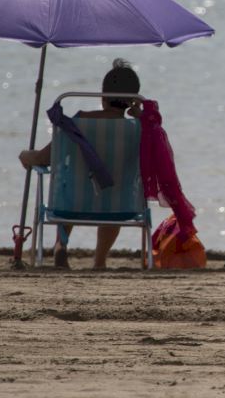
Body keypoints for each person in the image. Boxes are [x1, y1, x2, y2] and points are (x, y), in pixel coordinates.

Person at [18, 58, 142, 269]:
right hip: (120, 208)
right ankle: (100, 260)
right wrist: (140, 114)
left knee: (70, 184)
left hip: (72, 206)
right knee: (113, 191)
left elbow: (44, 159)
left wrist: (26, 156)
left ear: (103, 96)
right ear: (133, 99)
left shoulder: (78, 123)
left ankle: (61, 246)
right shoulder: (138, 129)